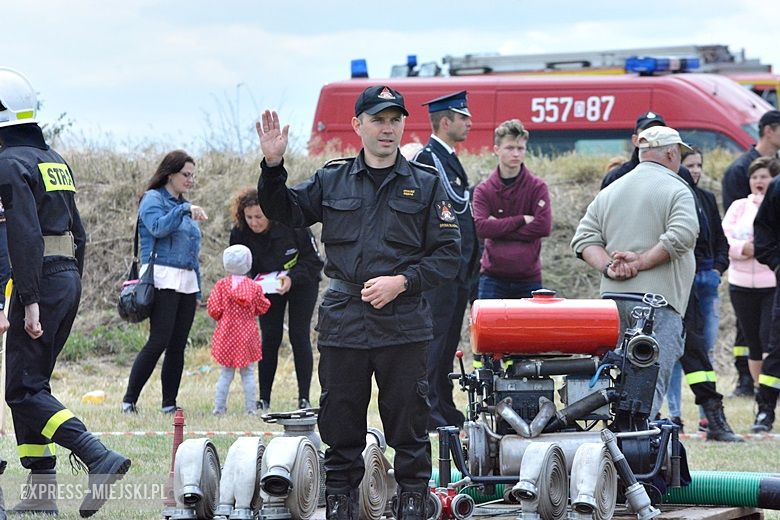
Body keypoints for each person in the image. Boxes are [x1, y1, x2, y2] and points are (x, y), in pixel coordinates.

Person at [255, 84, 461, 520]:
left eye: (395, 120)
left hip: (403, 324)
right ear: (357, 125)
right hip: (345, 321)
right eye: (378, 120)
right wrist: (273, 166)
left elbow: (448, 255)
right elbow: (285, 210)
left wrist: (403, 282)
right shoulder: (332, 179)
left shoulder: (425, 185)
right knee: (340, 422)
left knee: (408, 423)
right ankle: (342, 505)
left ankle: (411, 503)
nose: (387, 129)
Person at [0, 68, 130, 517]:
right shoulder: (53, 158)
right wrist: (70, 283)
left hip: (38, 278)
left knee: (22, 390)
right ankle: (42, 495)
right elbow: (81, 230)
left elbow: (22, 232)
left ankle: (97, 456)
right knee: (31, 384)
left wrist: (31, 299)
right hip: (66, 274)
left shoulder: (9, 163)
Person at [571, 126, 699, 421]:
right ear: (670, 153)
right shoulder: (677, 188)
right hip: (659, 303)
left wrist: (609, 266)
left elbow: (584, 239)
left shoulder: (612, 189)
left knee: (613, 381)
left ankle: (609, 441)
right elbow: (682, 235)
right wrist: (640, 263)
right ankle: (637, 446)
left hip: (612, 305)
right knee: (648, 382)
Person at [121, 150, 207, 414]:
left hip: (186, 280)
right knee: (159, 340)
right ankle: (129, 400)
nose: (190, 180)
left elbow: (193, 252)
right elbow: (157, 228)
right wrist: (183, 210)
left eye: (193, 175)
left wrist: (198, 288)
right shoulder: (152, 199)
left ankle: (169, 404)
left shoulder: (185, 205)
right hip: (162, 277)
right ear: (170, 173)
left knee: (178, 345)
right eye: (186, 174)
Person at [412, 90, 478, 431]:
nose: (469, 122)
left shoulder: (448, 158)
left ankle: (443, 402)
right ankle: (428, 408)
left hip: (457, 271)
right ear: (445, 121)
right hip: (439, 272)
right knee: (434, 343)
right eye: (463, 117)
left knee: (448, 342)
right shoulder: (427, 159)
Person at [229, 187, 323, 411]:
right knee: (270, 336)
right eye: (249, 217)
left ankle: (303, 397)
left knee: (298, 334)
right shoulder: (240, 232)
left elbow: (314, 262)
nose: (254, 222)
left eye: (259, 217)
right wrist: (249, 284)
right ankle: (264, 398)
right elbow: (238, 267)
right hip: (267, 287)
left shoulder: (293, 223)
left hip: (301, 281)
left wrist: (291, 278)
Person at [665, 148, 729, 432]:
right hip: (673, 285)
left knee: (701, 350)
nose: (695, 170)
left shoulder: (702, 199)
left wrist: (717, 268)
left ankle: (710, 416)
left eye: (699, 165)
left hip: (698, 282)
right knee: (674, 352)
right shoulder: (671, 197)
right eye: (690, 165)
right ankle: (671, 415)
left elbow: (715, 236)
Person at [722, 109, 780, 396]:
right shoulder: (738, 206)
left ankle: (770, 392)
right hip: (741, 282)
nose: (759, 181)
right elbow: (725, 236)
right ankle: (756, 387)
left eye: (765, 177)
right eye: (755, 176)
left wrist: (768, 253)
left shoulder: (774, 204)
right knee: (752, 340)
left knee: (770, 337)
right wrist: (741, 248)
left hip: (771, 281)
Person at [472, 119, 552, 298]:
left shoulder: (537, 187)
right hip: (492, 278)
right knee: (486, 327)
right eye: (510, 148)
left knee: (529, 327)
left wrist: (498, 228)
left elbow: (543, 227)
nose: (516, 153)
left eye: (520, 148)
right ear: (496, 150)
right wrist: (521, 220)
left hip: (528, 278)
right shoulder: (484, 190)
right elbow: (481, 228)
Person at [208, 244, 271, 415]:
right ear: (248, 263)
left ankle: (219, 409)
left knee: (226, 374)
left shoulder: (221, 286)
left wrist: (223, 316)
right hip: (247, 334)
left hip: (227, 334)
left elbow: (213, 309)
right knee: (248, 374)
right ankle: (251, 409)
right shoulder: (254, 287)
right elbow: (263, 306)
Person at [749, 157, 780, 433]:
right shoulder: (778, 187)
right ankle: (765, 411)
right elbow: (764, 232)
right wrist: (776, 263)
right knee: (778, 348)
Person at [600, 111, 667, 189]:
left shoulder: (678, 173)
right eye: (647, 133)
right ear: (635, 140)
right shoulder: (617, 177)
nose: (653, 137)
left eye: (658, 132)